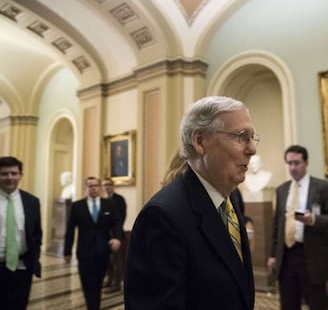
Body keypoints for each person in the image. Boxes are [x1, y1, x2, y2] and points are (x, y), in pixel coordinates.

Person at [124, 96, 257, 310]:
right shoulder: (162, 217)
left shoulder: (228, 200)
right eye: (241, 136)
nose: (252, 149)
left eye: (252, 137)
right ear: (200, 141)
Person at [267, 145, 328, 310]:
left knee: (317, 303)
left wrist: (313, 219)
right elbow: (276, 224)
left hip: (312, 256)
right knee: (288, 304)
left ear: (306, 163)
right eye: (289, 163)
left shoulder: (323, 187)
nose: (292, 168)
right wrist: (272, 254)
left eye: (297, 163)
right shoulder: (281, 190)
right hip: (286, 256)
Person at [64, 176, 123, 310]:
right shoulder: (77, 206)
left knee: (98, 281)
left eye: (96, 185)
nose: (93, 188)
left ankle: (94, 304)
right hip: (84, 252)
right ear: (85, 189)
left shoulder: (109, 204)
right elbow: (70, 229)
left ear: (100, 188)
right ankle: (93, 306)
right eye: (90, 186)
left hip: (103, 251)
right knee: (87, 282)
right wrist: (67, 251)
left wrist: (117, 237)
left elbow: (117, 223)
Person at [0, 156, 42, 310]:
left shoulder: (32, 201)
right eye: (4, 174)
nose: (9, 178)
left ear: (20, 175)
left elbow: (37, 233)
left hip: (22, 268)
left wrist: (34, 257)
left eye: (13, 173)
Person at [101, 177, 127, 293]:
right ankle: (109, 280)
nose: (106, 187)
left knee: (117, 260)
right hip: (106, 234)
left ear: (112, 186)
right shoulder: (105, 200)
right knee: (108, 261)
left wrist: (116, 234)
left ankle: (117, 283)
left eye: (108, 184)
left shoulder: (119, 199)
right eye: (104, 185)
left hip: (116, 235)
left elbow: (120, 217)